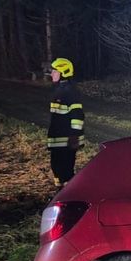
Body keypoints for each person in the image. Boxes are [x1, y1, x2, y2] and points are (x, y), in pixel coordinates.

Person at [47, 57, 84, 187]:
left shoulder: (70, 91)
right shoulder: (60, 90)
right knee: (57, 168)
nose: (52, 73)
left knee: (65, 170)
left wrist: (74, 135)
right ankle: (60, 191)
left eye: (54, 71)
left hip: (67, 139)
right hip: (58, 138)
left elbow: (77, 115)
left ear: (63, 72)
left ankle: (69, 193)